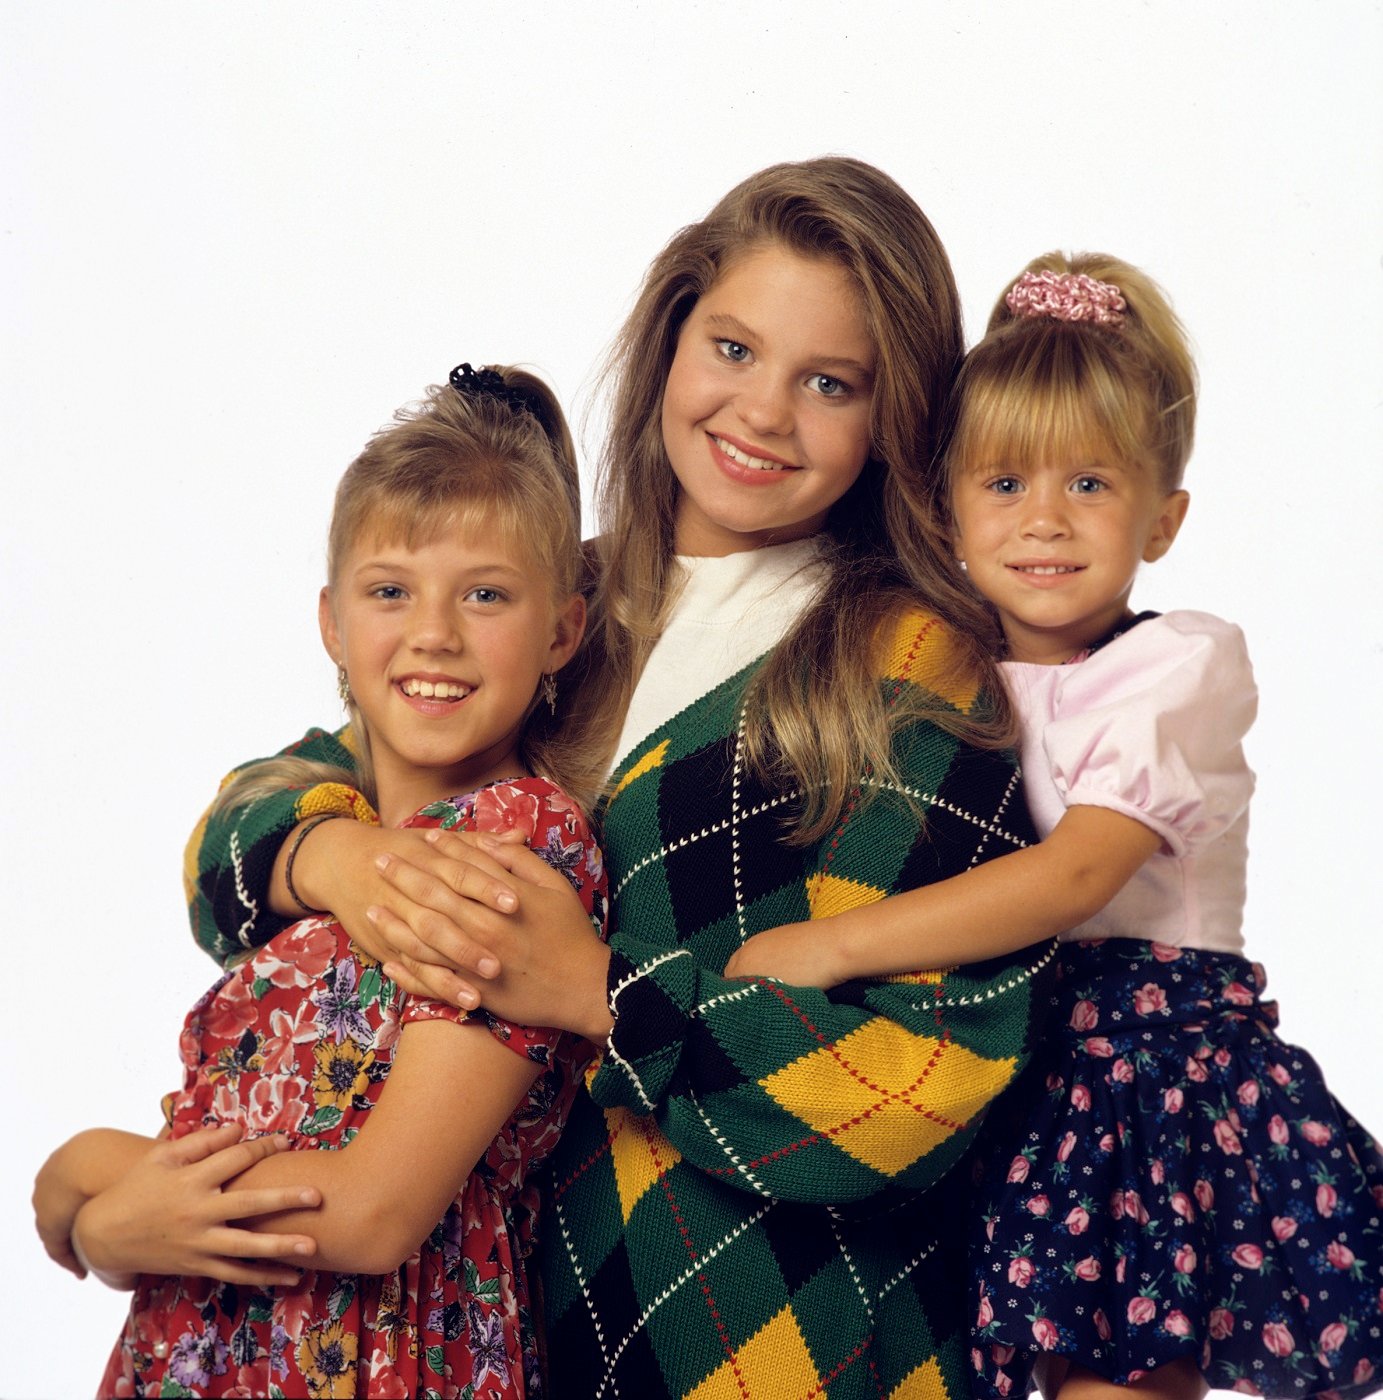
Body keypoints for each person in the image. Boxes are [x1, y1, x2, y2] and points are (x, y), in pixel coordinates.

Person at [82, 159, 1059, 1399]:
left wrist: (603, 993)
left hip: (779, 1339)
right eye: (734, 347)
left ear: (894, 418)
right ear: (670, 339)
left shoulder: (909, 668)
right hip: (493, 1331)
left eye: (829, 383)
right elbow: (245, 831)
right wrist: (332, 853)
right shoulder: (553, 602)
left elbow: (926, 1079)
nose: (762, 412)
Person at [726, 255, 1383, 1400]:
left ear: (1163, 518)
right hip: (1003, 1064)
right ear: (946, 505)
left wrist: (830, 948)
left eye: (1090, 484)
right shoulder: (939, 668)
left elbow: (1076, 872)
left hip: (1144, 1075)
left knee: (1120, 1380)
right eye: (1006, 483)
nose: (1043, 519)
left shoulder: (1173, 666)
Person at [33, 364, 608, 1397]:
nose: (433, 631)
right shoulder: (319, 833)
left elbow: (369, 1213)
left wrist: (86, 1174)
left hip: (371, 1354)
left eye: (485, 593)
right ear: (333, 622)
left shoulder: (513, 841)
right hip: (204, 1346)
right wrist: (110, 1226)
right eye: (391, 590)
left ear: (562, 630)